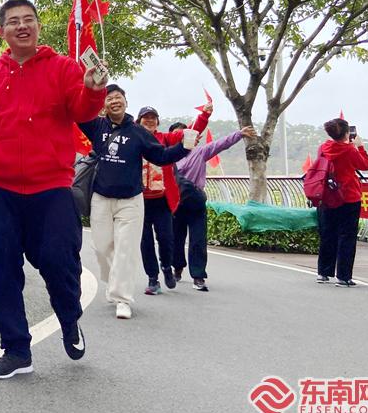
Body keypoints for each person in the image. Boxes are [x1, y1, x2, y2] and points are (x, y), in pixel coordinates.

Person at [0, 0, 107, 379]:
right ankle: (16, 349)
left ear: (38, 26)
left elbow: (83, 110)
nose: (22, 26)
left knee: (58, 260)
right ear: (2, 31)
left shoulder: (63, 68)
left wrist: (93, 89)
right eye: (13, 21)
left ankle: (69, 317)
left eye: (28, 20)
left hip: (51, 186)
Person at [78, 86, 192, 319]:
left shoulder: (138, 132)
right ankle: (115, 282)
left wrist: (184, 147)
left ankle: (122, 299)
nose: (114, 101)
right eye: (109, 98)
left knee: (126, 250)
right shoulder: (96, 126)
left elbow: (161, 156)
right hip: (101, 197)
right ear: (103, 105)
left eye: (118, 97)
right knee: (101, 248)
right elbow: (78, 112)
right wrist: (91, 86)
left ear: (126, 102)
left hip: (130, 201)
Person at [169, 123, 256, 291]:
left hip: (195, 202)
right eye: (176, 135)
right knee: (175, 239)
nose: (180, 138)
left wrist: (239, 134)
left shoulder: (200, 152)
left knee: (198, 239)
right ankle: (177, 268)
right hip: (175, 203)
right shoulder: (166, 156)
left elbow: (220, 144)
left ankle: (198, 276)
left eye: (183, 134)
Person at [137, 104, 210, 296]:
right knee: (145, 242)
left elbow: (190, 132)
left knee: (167, 239)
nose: (149, 120)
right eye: (145, 118)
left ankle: (166, 267)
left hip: (162, 200)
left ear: (157, 122)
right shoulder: (133, 139)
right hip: (139, 201)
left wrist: (204, 115)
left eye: (153, 118)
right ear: (138, 121)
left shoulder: (165, 139)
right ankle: (153, 279)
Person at [315, 118, 368, 287]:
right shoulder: (350, 150)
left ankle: (323, 272)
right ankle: (343, 276)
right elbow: (365, 165)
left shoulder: (323, 148)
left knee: (327, 234)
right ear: (347, 133)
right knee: (347, 236)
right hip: (349, 197)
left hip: (327, 196)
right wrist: (360, 146)